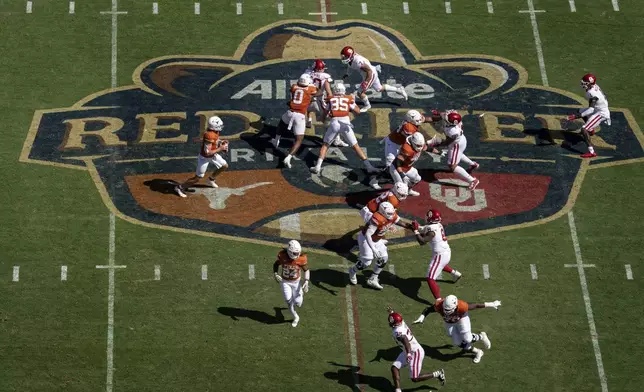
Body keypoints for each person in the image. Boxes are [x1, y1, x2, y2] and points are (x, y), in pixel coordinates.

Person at [309, 83, 379, 175]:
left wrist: (322, 119)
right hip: (345, 124)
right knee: (356, 146)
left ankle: (317, 166)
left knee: (325, 145)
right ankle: (369, 166)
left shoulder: (331, 99)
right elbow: (358, 111)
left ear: (334, 91)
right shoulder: (348, 99)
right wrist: (353, 101)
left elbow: (325, 113)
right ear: (343, 91)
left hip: (334, 123)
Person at [413, 294, 501, 363]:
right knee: (457, 342)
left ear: (455, 306)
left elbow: (476, 305)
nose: (446, 312)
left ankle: (482, 336)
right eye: (445, 309)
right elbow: (428, 309)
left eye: (449, 310)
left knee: (467, 338)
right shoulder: (439, 305)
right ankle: (478, 352)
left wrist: (491, 304)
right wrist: (422, 317)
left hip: (461, 318)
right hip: (449, 322)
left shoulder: (462, 306)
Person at [348, 202, 417, 290]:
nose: (391, 215)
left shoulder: (391, 214)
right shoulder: (377, 218)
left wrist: (410, 226)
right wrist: (373, 249)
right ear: (382, 212)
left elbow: (398, 221)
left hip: (377, 239)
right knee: (367, 262)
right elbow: (368, 234)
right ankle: (352, 271)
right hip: (366, 239)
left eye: (392, 213)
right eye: (389, 214)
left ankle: (373, 278)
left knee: (384, 258)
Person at [387, 305, 446, 391]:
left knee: (415, 378)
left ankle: (438, 373)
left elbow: (405, 341)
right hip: (407, 350)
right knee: (394, 368)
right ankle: (398, 390)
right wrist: (392, 312)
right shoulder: (401, 322)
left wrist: (408, 354)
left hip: (415, 352)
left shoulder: (397, 331)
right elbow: (397, 319)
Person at [412, 209, 462, 300]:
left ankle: (438, 300)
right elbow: (423, 229)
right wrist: (415, 227)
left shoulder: (432, 230)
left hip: (440, 255)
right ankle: (455, 274)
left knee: (430, 278)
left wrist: (416, 231)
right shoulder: (438, 225)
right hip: (446, 252)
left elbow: (422, 242)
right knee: (440, 265)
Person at [271, 73, 318, 169]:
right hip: (300, 116)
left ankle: (276, 139)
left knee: (281, 123)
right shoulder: (310, 88)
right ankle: (288, 157)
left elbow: (294, 90)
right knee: (299, 140)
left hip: (290, 112)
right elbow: (318, 92)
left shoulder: (294, 86)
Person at [340, 46, 408, 112]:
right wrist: (347, 74)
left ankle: (367, 105)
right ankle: (399, 90)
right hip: (369, 73)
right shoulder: (351, 60)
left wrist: (366, 82)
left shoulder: (358, 62)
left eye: (345, 56)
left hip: (370, 75)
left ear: (351, 56)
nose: (343, 58)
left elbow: (369, 71)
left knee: (360, 93)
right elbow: (350, 66)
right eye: (343, 56)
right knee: (379, 88)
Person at [174, 116, 228, 198]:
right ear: (214, 127)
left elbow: (215, 140)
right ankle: (180, 187)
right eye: (219, 126)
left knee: (224, 166)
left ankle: (211, 179)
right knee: (197, 178)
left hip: (213, 155)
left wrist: (221, 142)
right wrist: (221, 148)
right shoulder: (209, 135)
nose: (221, 127)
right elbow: (208, 153)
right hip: (205, 158)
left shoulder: (215, 132)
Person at [426, 110, 480, 190]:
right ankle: (473, 164)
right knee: (459, 154)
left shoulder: (453, 132)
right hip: (462, 140)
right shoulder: (454, 119)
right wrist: (438, 113)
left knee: (452, 166)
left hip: (456, 145)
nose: (445, 117)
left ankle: (472, 180)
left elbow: (447, 142)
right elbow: (446, 114)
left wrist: (436, 144)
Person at [567, 73, 611, 158]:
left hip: (601, 113)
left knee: (584, 129)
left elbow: (590, 109)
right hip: (598, 109)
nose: (583, 84)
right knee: (580, 111)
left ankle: (591, 152)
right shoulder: (593, 87)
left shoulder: (592, 93)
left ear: (590, 83)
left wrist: (576, 117)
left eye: (585, 83)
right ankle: (590, 129)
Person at [273, 240, 310, 327]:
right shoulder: (282, 256)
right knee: (289, 301)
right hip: (285, 282)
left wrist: (307, 281)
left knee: (298, 302)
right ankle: (296, 317)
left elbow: (306, 270)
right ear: (289, 251)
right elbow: (276, 264)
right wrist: (275, 273)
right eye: (294, 253)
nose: (297, 255)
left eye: (298, 253)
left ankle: (300, 295)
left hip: (296, 282)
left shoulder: (301, 258)